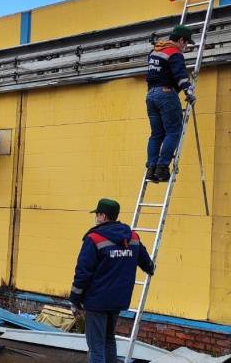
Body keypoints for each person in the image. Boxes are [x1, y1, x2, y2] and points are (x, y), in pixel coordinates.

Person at [70, 198, 154, 363]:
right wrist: (150, 268)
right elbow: (147, 263)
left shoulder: (94, 239)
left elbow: (83, 273)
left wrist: (74, 300)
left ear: (103, 216)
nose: (96, 218)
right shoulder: (133, 237)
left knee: (96, 347)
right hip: (118, 300)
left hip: (97, 302)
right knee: (109, 340)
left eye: (98, 214)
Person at [145, 24, 197, 182]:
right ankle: (162, 169)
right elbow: (180, 75)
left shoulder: (156, 50)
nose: (186, 47)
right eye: (186, 43)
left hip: (151, 96)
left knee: (156, 134)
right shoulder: (174, 53)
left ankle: (151, 169)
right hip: (166, 94)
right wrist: (188, 91)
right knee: (173, 132)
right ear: (181, 40)